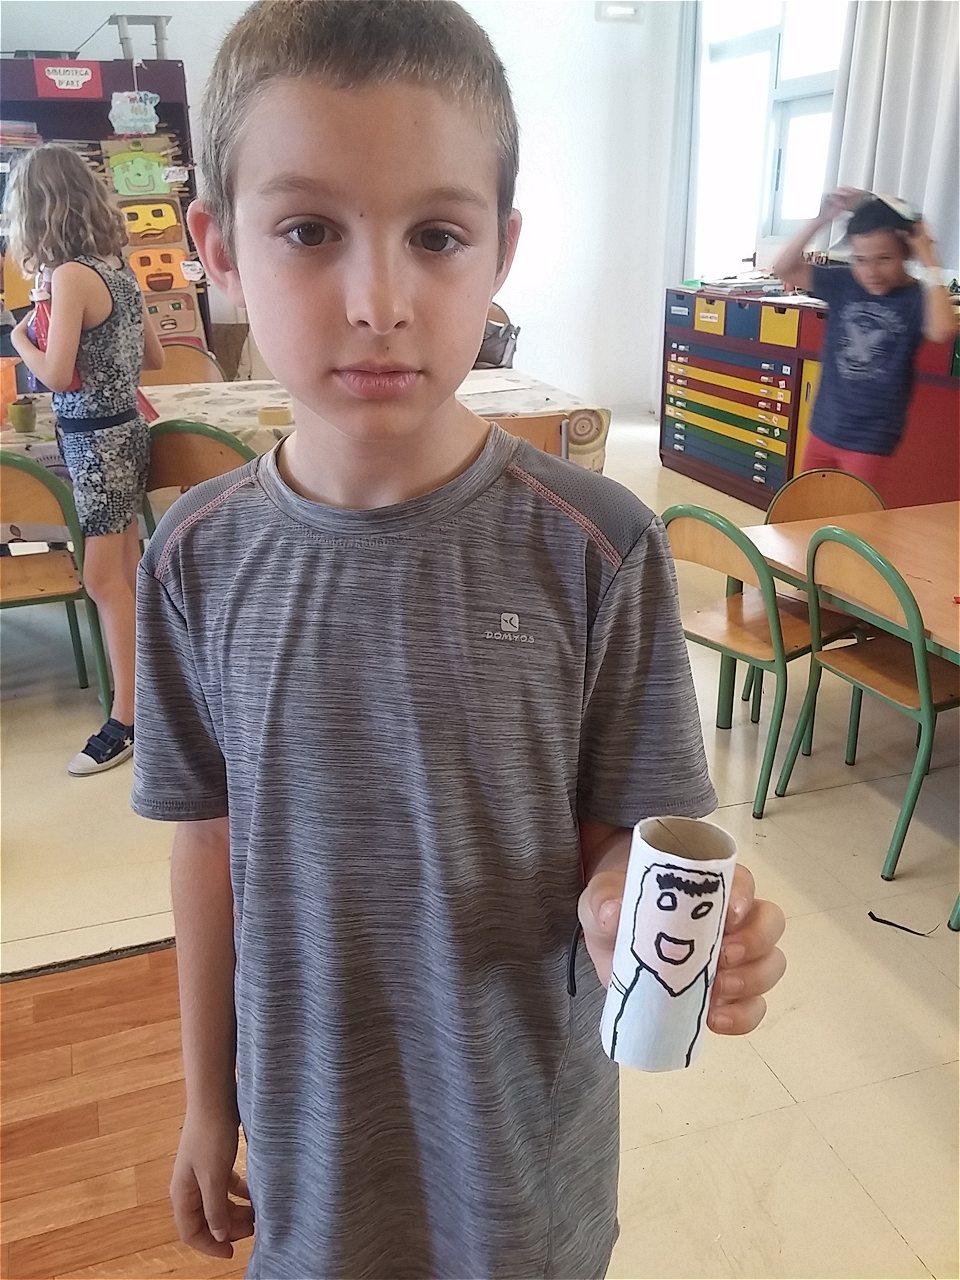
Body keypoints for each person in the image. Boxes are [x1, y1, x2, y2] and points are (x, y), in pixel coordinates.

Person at [131, 3, 786, 1276]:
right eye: (309, 230)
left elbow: (624, 840)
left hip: (520, 1164)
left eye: (436, 235)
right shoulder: (193, 557)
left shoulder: (599, 546)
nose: (379, 301)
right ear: (217, 247)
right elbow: (207, 847)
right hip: (312, 1154)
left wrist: (634, 910)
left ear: (500, 253)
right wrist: (208, 1100)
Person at [5, 144, 165, 774]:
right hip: (124, 429)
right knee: (121, 576)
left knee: (103, 580)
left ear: (36, 210)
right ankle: (144, 700)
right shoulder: (116, 267)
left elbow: (53, 373)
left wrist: (21, 334)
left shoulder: (71, 275)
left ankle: (127, 719)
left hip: (96, 441)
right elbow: (154, 356)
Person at [773, 188, 956, 498]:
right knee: (806, 508)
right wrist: (821, 219)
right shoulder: (845, 282)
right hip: (823, 428)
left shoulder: (914, 298)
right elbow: (784, 268)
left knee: (855, 517)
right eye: (860, 259)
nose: (871, 272)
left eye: (884, 259)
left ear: (907, 253)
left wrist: (930, 258)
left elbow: (943, 330)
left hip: (870, 441)